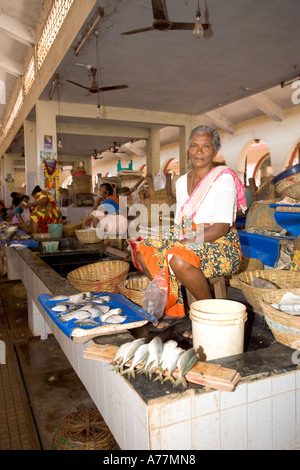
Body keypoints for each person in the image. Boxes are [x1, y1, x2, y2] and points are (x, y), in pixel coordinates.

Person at [136, 125, 247, 333]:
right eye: (194, 146)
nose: (199, 151)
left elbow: (222, 227)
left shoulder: (223, 179)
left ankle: (209, 314)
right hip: (188, 234)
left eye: (206, 147)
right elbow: (182, 220)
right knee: (145, 250)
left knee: (179, 257)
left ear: (215, 152)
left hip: (221, 243)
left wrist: (188, 241)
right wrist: (177, 237)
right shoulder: (181, 182)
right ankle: (174, 308)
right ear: (188, 150)